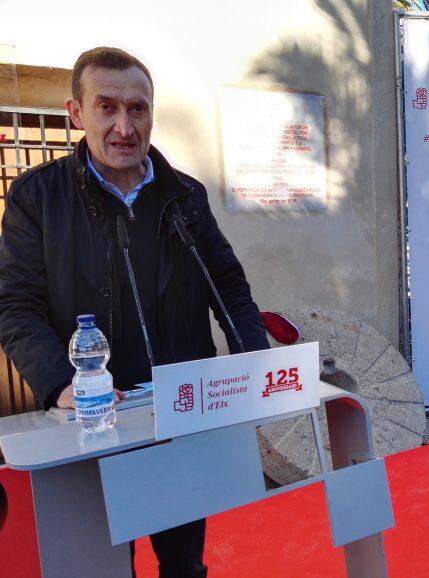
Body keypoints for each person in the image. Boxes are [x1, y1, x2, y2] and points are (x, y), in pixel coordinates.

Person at [0, 47, 269, 578]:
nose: (124, 126)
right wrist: (59, 384)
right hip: (90, 421)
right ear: (77, 113)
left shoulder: (184, 195)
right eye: (107, 107)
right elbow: (16, 305)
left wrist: (254, 362)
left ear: (151, 111)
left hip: (178, 418)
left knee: (184, 564)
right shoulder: (38, 196)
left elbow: (228, 286)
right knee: (100, 565)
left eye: (138, 109)